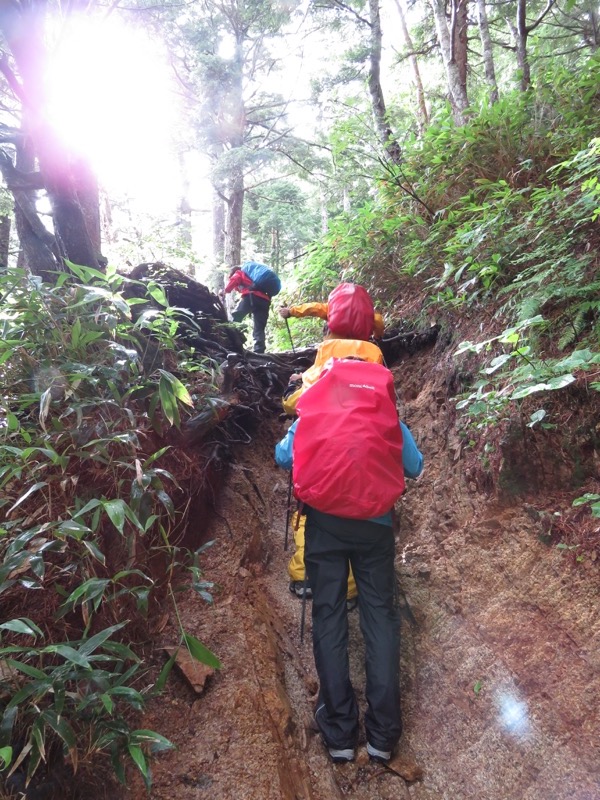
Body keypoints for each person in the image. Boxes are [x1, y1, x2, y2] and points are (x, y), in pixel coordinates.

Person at [275, 360, 423, 765]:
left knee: (329, 615)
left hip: (325, 527)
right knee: (379, 618)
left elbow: (283, 456)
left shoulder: (316, 405)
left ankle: (339, 731)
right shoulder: (384, 412)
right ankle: (383, 734)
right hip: (375, 530)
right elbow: (415, 465)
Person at [279, 282, 385, 340]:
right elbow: (379, 324)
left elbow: (311, 308)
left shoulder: (331, 309)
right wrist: (377, 337)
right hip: (360, 348)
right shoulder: (370, 316)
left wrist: (290, 311)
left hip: (334, 345)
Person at [224, 261, 280, 353]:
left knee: (236, 318)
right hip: (265, 301)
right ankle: (259, 351)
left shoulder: (239, 272)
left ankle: (232, 342)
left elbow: (235, 279)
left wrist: (225, 291)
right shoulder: (254, 279)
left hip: (251, 297)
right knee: (259, 327)